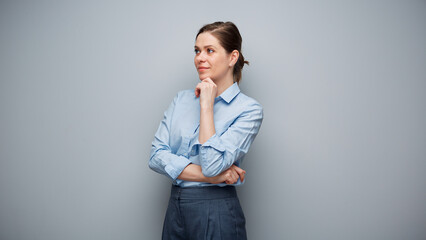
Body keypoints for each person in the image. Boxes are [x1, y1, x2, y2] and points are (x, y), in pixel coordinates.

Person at [149, 21, 263, 240]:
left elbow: (212, 165)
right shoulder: (181, 99)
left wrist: (206, 106)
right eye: (197, 51)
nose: (200, 58)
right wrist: (212, 177)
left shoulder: (249, 110)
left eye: (210, 50)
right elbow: (155, 157)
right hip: (175, 207)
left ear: (232, 57)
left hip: (216, 210)